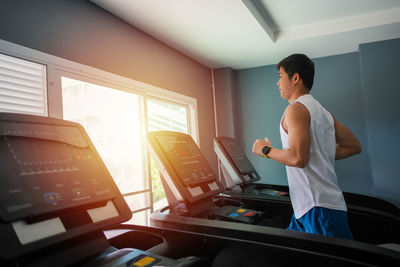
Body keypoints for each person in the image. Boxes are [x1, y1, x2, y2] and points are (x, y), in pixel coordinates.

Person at [252, 54, 361, 240]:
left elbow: (298, 158)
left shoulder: (295, 109)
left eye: (280, 77)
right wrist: (321, 153)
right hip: (310, 206)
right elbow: (353, 146)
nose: (277, 84)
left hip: (317, 207)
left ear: (295, 78)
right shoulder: (323, 112)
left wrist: (266, 150)